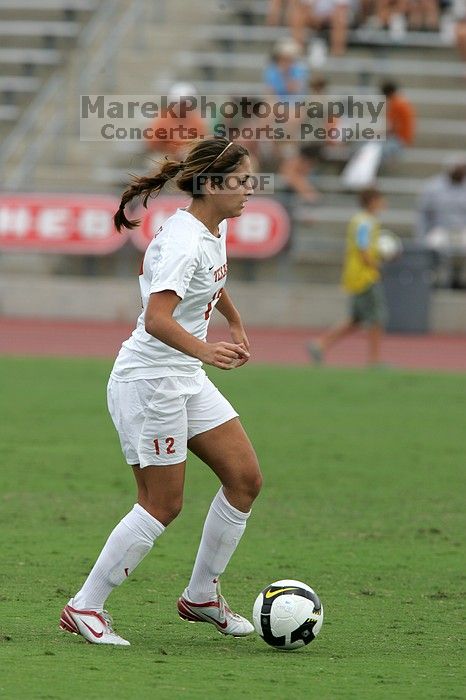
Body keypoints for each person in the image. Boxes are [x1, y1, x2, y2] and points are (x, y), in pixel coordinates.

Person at [59, 137, 262, 645]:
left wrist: (233, 322)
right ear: (213, 185)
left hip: (183, 378)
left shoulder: (209, 232)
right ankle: (85, 606)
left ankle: (201, 596)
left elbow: (211, 281)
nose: (250, 192)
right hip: (151, 384)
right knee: (161, 503)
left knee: (245, 479)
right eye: (241, 182)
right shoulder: (183, 240)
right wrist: (206, 350)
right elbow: (156, 319)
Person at [308, 187, 388, 366]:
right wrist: (376, 265)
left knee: (355, 320)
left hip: (357, 276)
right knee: (376, 319)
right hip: (365, 276)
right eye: (381, 199)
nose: (384, 204)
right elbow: (363, 247)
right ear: (373, 201)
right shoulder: (365, 222)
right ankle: (374, 360)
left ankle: (319, 344)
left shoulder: (361, 220)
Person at [417, 153, 466, 288]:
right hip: (441, 229)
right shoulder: (433, 187)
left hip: (462, 230)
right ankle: (435, 278)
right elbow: (424, 215)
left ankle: (458, 278)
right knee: (433, 244)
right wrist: (421, 236)